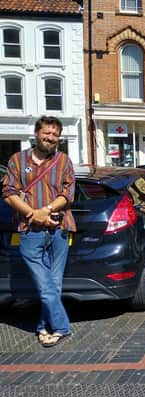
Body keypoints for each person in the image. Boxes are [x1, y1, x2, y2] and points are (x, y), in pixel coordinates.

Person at [2, 116, 76, 347]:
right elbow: (9, 193)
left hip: (59, 229)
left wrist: (46, 210)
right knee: (45, 286)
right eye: (47, 133)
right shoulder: (17, 160)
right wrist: (34, 214)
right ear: (36, 133)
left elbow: (68, 193)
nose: (51, 138)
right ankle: (62, 327)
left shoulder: (64, 161)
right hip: (28, 230)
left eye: (55, 135)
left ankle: (44, 326)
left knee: (53, 285)